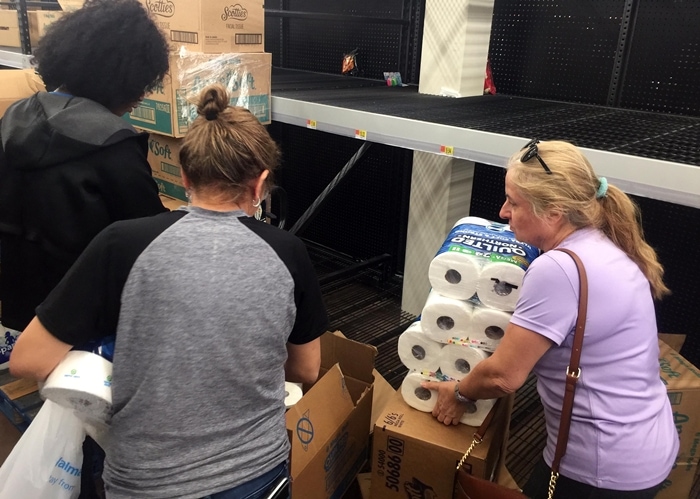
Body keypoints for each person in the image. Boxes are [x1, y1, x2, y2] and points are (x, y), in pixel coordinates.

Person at [10, 83, 328, 499]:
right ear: (260, 183)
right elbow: (306, 369)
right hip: (255, 476)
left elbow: (27, 359)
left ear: (183, 175)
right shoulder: (288, 252)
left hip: (145, 483)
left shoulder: (120, 243)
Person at [423, 139, 678, 498]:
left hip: (600, 466)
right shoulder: (607, 245)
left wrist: (458, 392)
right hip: (647, 443)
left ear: (554, 212)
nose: (502, 211)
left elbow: (503, 377)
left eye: (514, 202)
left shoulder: (557, 269)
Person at [0, 1, 170, 496]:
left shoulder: (15, 119)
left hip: (22, 307)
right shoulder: (113, 147)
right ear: (127, 76)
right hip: (89, 326)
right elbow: (148, 246)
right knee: (98, 441)